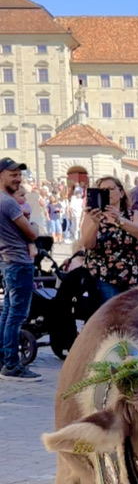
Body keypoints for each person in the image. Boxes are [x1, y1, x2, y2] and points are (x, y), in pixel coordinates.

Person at [0, 158, 41, 381]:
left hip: (8, 261)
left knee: (8, 312)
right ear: (1, 176)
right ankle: (12, 365)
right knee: (16, 315)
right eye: (13, 174)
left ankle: (4, 358)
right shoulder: (8, 203)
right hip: (18, 263)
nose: (18, 179)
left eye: (19, 175)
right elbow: (32, 233)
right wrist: (34, 225)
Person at [80, 176, 138, 302]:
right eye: (103, 190)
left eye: (111, 189)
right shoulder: (91, 217)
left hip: (133, 277)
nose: (107, 193)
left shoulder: (134, 215)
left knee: (134, 316)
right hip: (104, 277)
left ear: (121, 193)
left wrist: (120, 220)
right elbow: (88, 244)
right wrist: (95, 224)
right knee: (112, 317)